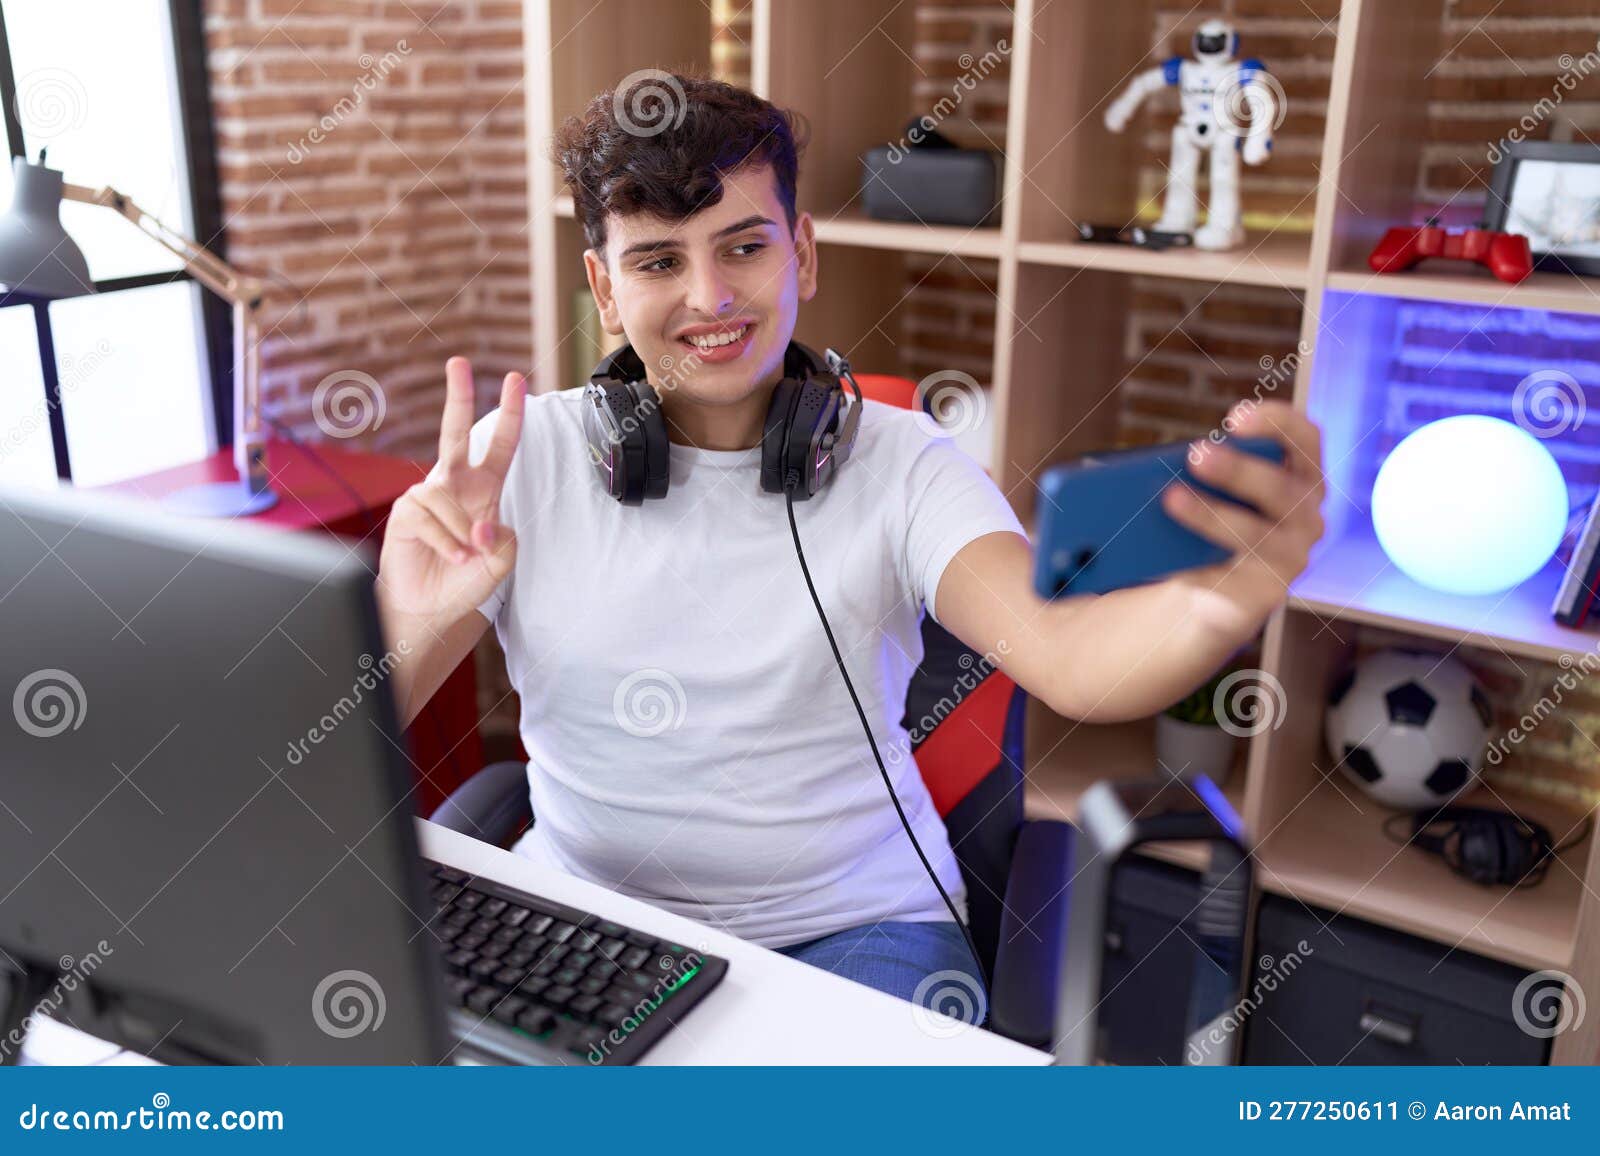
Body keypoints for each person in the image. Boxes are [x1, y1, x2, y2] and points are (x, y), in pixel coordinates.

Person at [376, 73, 1326, 1021]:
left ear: (803, 253)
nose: (709, 298)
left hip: (852, 929)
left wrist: (1212, 604)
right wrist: (406, 623)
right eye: (659, 262)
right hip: (589, 913)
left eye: (744, 247)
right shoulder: (517, 463)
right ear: (605, 289)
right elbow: (349, 731)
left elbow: (1071, 658)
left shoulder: (907, 461)